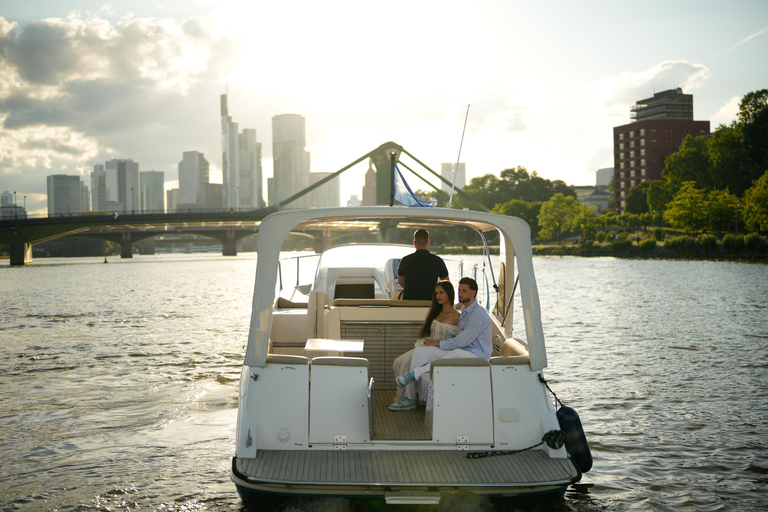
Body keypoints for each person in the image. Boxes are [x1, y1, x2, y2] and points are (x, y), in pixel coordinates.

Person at [390, 277, 492, 411]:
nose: (460, 294)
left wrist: (437, 343)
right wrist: (431, 343)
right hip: (462, 351)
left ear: (473, 293)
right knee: (421, 352)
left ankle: (415, 373)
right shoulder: (465, 311)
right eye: (459, 290)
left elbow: (461, 341)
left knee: (456, 352)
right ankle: (410, 398)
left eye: (464, 291)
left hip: (477, 355)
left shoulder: (478, 313)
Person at [388, 281, 460, 411]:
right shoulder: (435, 312)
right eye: (436, 293)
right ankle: (406, 397)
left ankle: (410, 398)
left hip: (443, 350)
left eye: (441, 292)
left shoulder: (458, 317)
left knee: (408, 361)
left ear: (449, 294)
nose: (438, 295)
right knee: (399, 361)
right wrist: (426, 340)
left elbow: (459, 341)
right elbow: (426, 333)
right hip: (427, 347)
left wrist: (437, 344)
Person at [397, 229, 449, 300]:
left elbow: (401, 282)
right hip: (431, 302)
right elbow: (446, 283)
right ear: (428, 242)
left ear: (414, 242)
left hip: (409, 301)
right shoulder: (437, 261)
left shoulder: (405, 260)